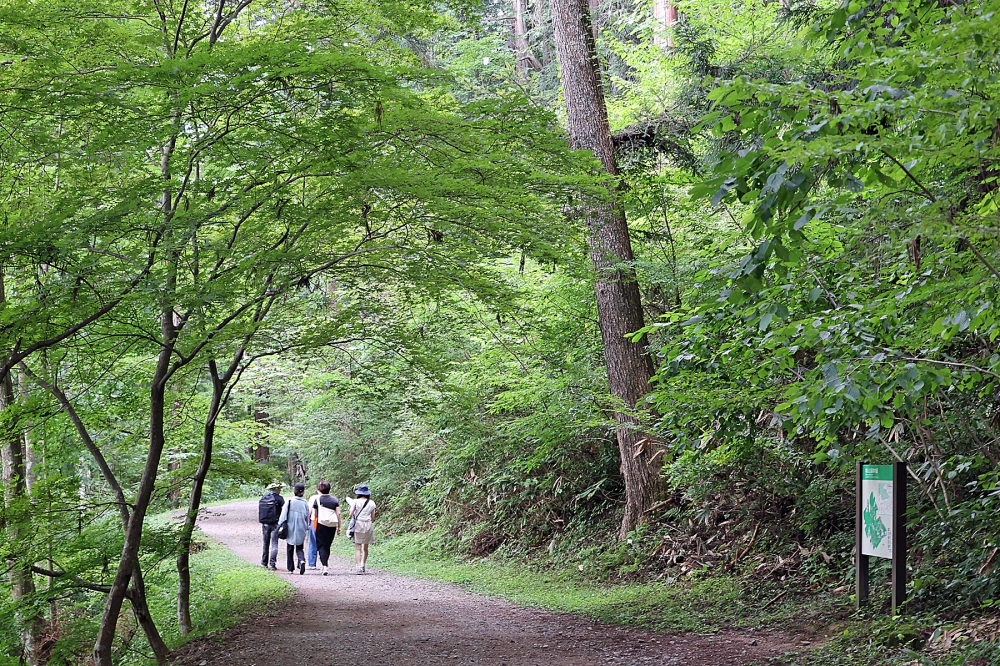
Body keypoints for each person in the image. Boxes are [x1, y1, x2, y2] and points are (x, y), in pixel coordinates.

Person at [308, 481, 341, 575]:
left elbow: (314, 515)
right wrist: (339, 527)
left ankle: (325, 566)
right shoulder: (334, 500)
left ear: (319, 489)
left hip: (321, 524)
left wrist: (313, 526)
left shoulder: (317, 500)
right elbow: (338, 513)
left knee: (321, 546)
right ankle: (325, 565)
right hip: (332, 525)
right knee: (327, 545)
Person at [278, 482, 310, 575]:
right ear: (303, 492)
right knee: (299, 547)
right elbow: (307, 516)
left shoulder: (289, 501)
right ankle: (301, 560)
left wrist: (280, 524)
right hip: (301, 527)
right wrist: (307, 526)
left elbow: (283, 515)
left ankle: (291, 568)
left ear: (294, 491)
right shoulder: (305, 503)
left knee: (290, 548)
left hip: (290, 527)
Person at [350, 484, 377, 574]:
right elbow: (373, 517)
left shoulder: (355, 501)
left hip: (358, 524)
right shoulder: (372, 503)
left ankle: (358, 567)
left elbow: (351, 514)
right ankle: (362, 564)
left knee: (358, 547)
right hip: (368, 525)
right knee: (365, 547)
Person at [258, 482, 285, 570]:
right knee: (274, 544)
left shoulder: (264, 497)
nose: (280, 490)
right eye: (279, 489)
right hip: (275, 524)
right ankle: (272, 564)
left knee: (265, 543)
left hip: (265, 524)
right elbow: (284, 511)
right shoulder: (280, 499)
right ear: (276, 489)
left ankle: (264, 563)